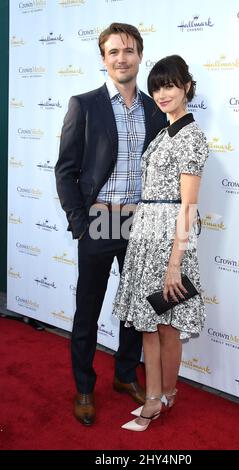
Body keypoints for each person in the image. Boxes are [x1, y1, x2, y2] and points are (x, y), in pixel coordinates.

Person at [55, 23, 167, 426]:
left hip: (140, 224)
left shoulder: (155, 109)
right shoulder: (84, 105)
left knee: (136, 310)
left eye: (130, 51)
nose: (122, 58)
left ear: (140, 56)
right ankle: (84, 385)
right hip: (99, 221)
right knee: (88, 309)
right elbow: (65, 170)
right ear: (104, 59)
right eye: (114, 51)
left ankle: (124, 375)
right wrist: (80, 223)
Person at [113, 55, 209, 431]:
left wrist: (175, 264)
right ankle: (153, 396)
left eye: (169, 85)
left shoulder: (193, 137)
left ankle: (167, 394)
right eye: (156, 87)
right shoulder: (162, 133)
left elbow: (188, 206)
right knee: (148, 324)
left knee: (167, 326)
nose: (161, 93)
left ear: (186, 85)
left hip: (171, 241)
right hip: (146, 238)